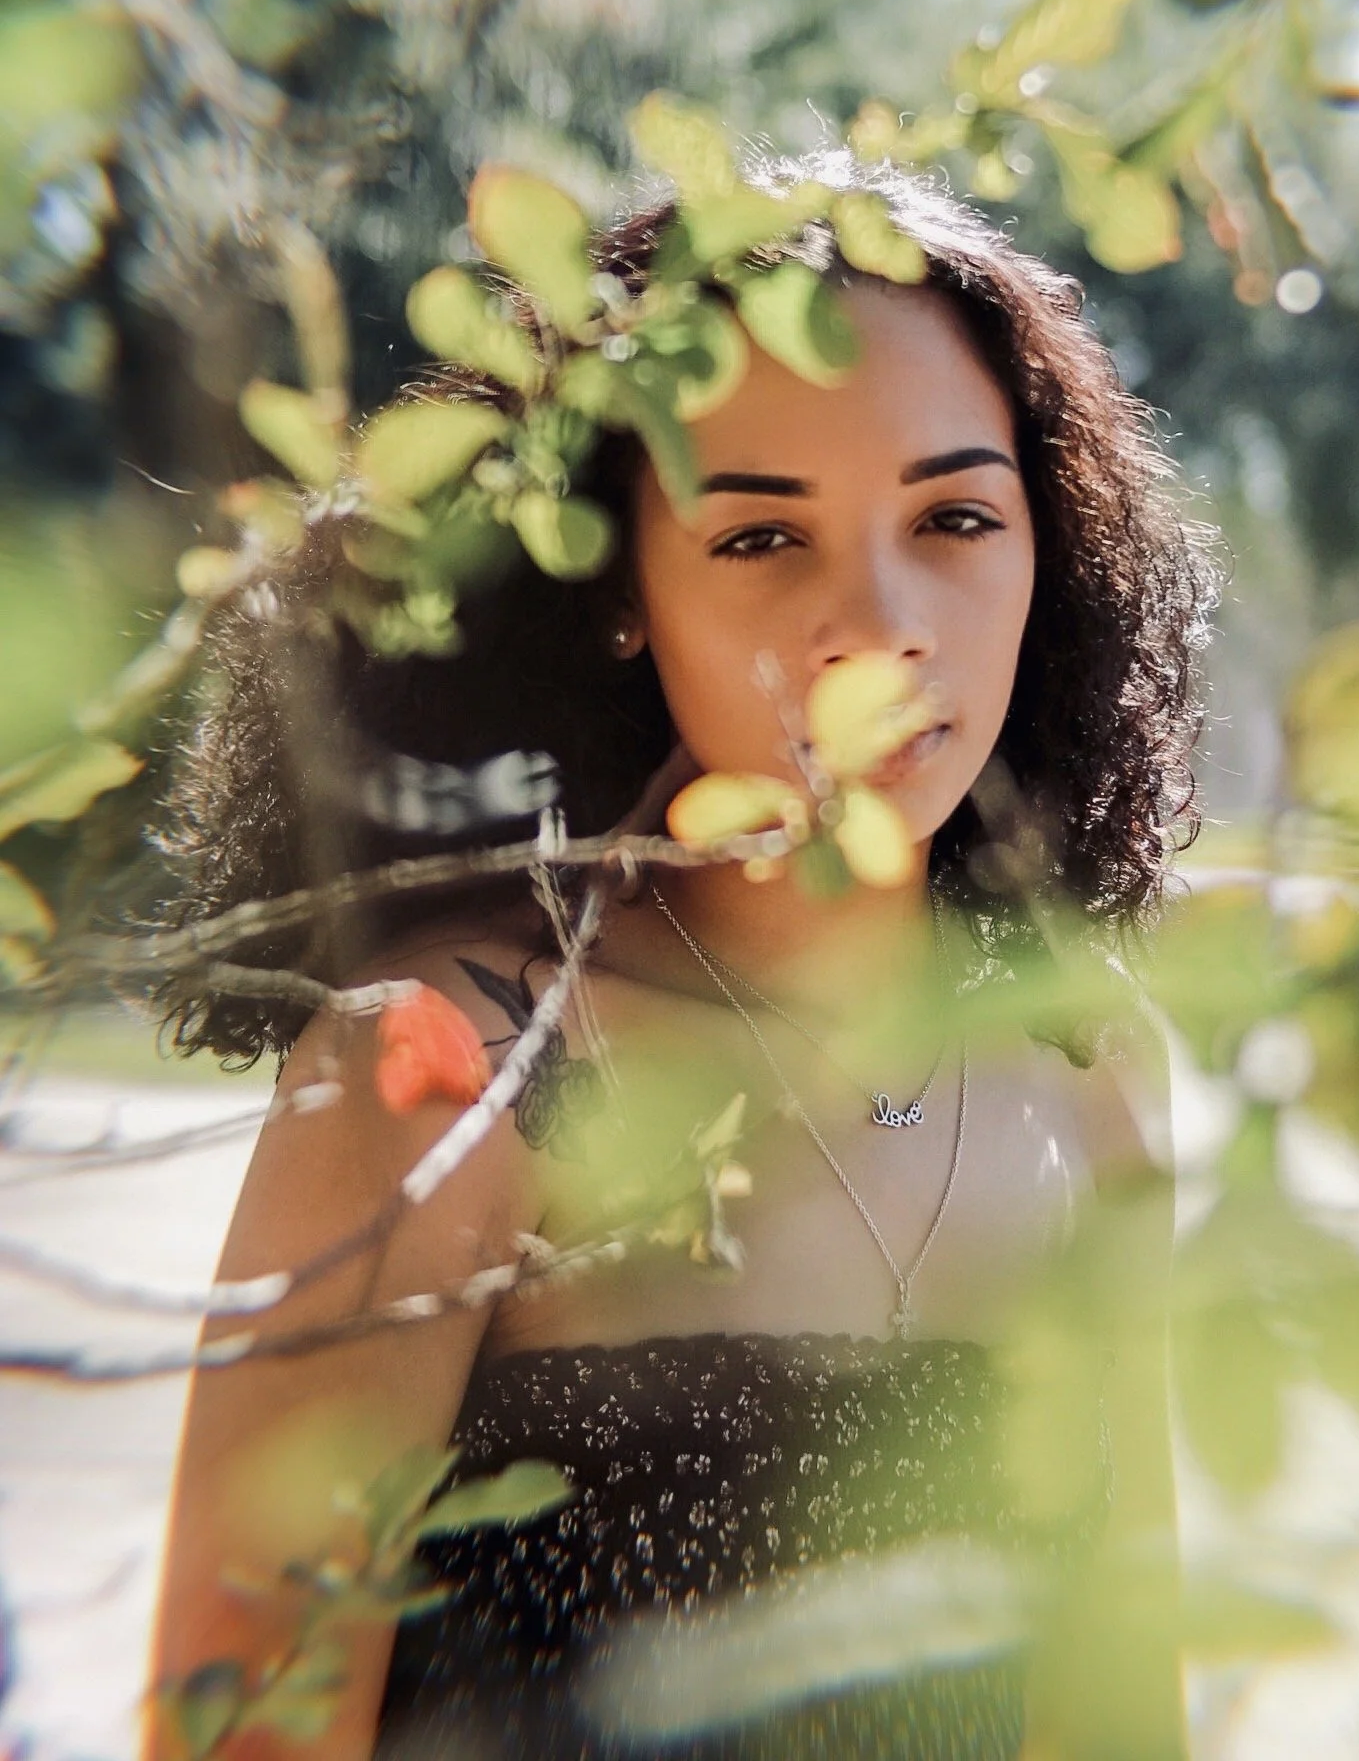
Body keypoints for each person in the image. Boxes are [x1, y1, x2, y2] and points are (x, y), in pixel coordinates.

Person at [145, 156, 1211, 1761]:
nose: (883, 618)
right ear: (621, 590)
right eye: (762, 538)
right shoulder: (446, 1075)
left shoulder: (1092, 1074)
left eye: (958, 516)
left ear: (1044, 554)